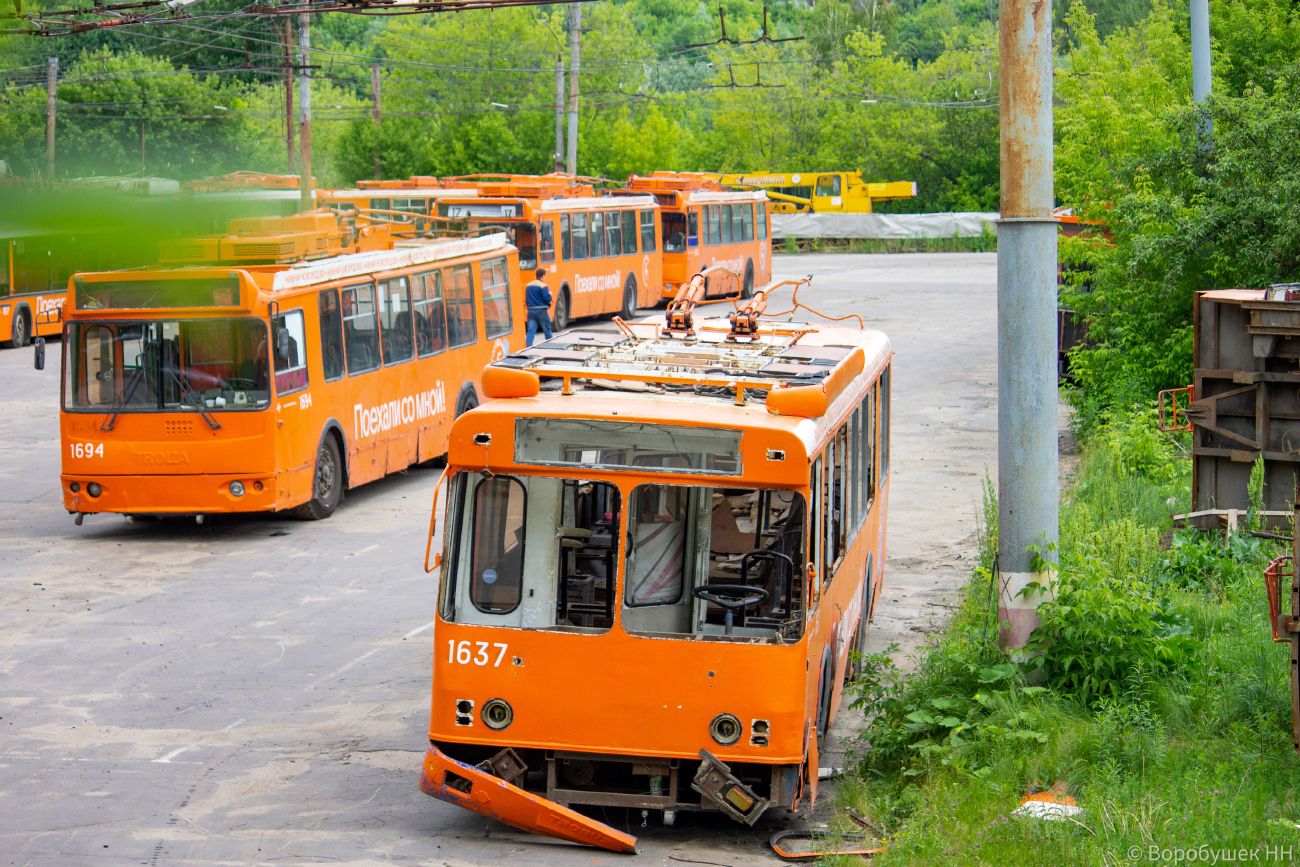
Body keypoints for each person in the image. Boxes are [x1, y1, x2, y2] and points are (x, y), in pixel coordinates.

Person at [525, 268, 554, 346]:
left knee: (530, 331)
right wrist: (550, 296)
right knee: (547, 331)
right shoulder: (543, 285)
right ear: (542, 276)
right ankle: (550, 346)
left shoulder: (528, 285)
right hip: (542, 311)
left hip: (530, 311)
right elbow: (546, 298)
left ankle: (528, 348)